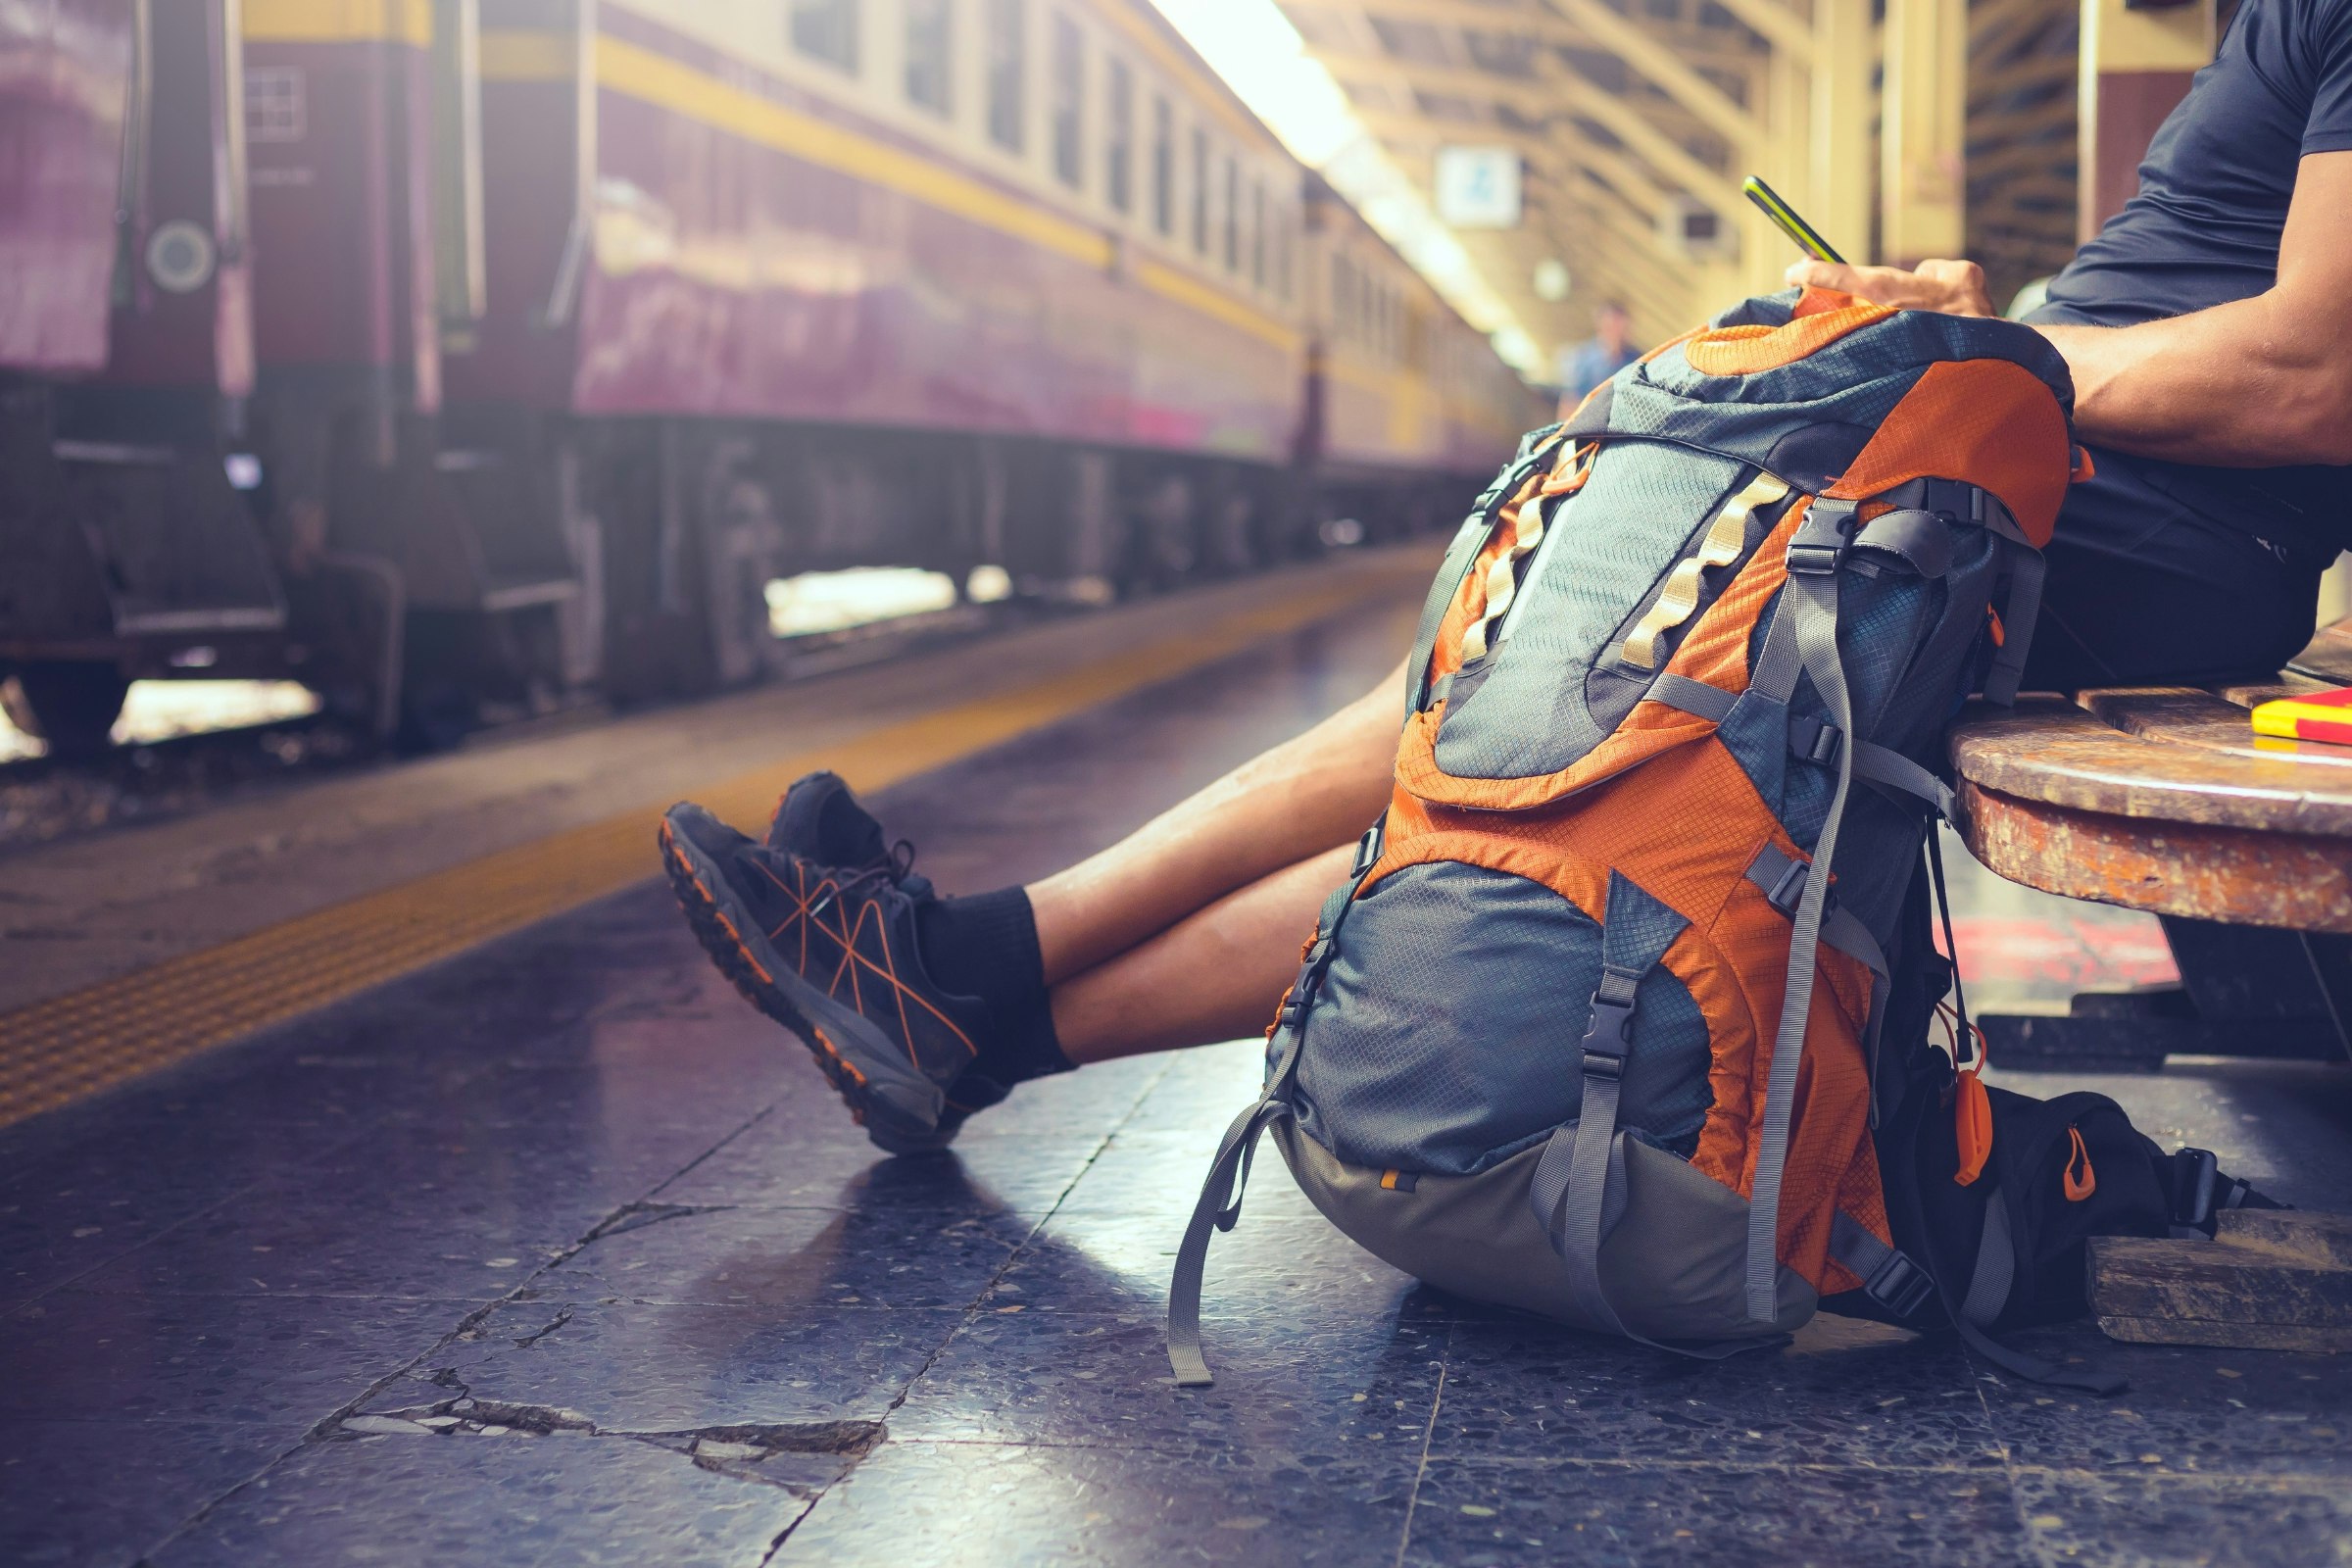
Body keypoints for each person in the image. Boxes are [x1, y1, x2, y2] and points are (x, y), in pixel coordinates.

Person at [660, 0, 2352, 1152]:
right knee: (1524, 691)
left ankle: (967, 982)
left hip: (2112, 529)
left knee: (1560, 739)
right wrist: (1970, 339)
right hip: (2034, 486)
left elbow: (2315, 375)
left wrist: (1989, 363)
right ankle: (968, 988)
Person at [1555, 301, 1640, 415]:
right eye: (1612, 326)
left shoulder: (1634, 359)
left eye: (1621, 327)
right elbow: (1570, 400)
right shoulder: (1584, 358)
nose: (1617, 332)